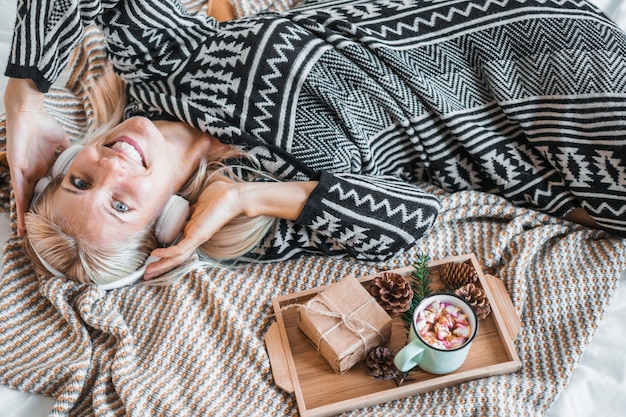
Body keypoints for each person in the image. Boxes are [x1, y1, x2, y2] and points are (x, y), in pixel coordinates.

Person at [3, 0, 625, 286]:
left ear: (66, 159)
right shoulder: (246, 218)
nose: (111, 166)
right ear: (166, 224)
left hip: (524, 31)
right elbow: (409, 221)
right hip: (523, 134)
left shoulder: (159, 66)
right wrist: (253, 200)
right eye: (121, 204)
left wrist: (24, 92)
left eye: (81, 180)